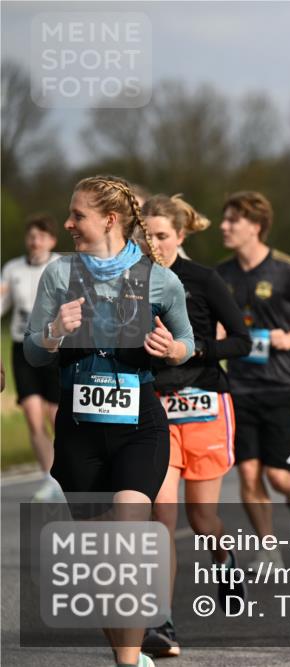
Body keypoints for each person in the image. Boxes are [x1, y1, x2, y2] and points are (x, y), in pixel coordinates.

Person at [24, 175, 195, 667]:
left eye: (77, 215)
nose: (68, 223)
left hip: (139, 426)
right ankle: (130, 654)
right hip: (80, 432)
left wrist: (172, 348)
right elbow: (34, 353)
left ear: (109, 220)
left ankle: (126, 662)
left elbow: (186, 342)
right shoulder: (59, 275)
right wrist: (56, 332)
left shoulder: (159, 278)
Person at [137, 195, 251, 658]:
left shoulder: (204, 280)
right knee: (161, 518)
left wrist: (191, 350)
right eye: (147, 236)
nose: (155, 244)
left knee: (203, 520)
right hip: (155, 409)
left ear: (181, 236)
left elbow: (241, 341)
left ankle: (224, 561)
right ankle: (161, 623)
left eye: (163, 236)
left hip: (204, 404)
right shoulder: (131, 282)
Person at [215, 191, 290, 568]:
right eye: (224, 219)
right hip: (240, 387)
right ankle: (268, 547)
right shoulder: (221, 275)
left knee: (279, 477)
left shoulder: (287, 270)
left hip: (281, 384)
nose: (223, 226)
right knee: (248, 472)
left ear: (256, 227)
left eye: (233, 221)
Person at [1, 215, 62, 501]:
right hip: (20, 347)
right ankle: (49, 477)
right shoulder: (12, 268)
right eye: (31, 235)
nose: (34, 240)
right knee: (32, 414)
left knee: (55, 415)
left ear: (51, 240)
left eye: (41, 236)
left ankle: (68, 473)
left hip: (52, 347)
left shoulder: (60, 266)